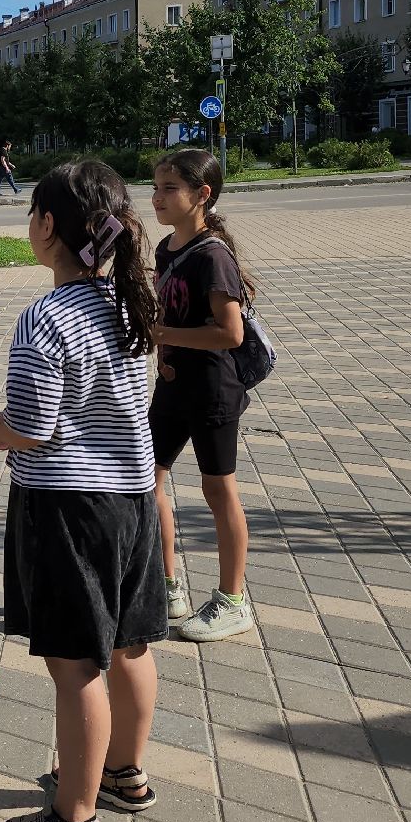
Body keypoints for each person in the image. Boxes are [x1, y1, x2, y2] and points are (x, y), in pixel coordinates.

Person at [0, 160, 164, 822]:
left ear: (47, 226)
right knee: (131, 643)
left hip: (66, 509)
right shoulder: (126, 300)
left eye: (31, 214)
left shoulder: (46, 316)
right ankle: (122, 772)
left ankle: (73, 819)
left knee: (75, 666)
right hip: (132, 500)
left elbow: (32, 423)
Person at [147, 149, 257, 643]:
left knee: (218, 491)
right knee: (146, 481)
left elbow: (229, 334)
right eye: (155, 187)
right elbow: (170, 317)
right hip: (173, 384)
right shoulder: (166, 249)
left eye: (170, 189)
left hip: (213, 389)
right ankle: (168, 586)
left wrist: (162, 333)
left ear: (202, 195)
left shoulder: (213, 255)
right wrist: (162, 351)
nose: (157, 198)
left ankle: (233, 601)